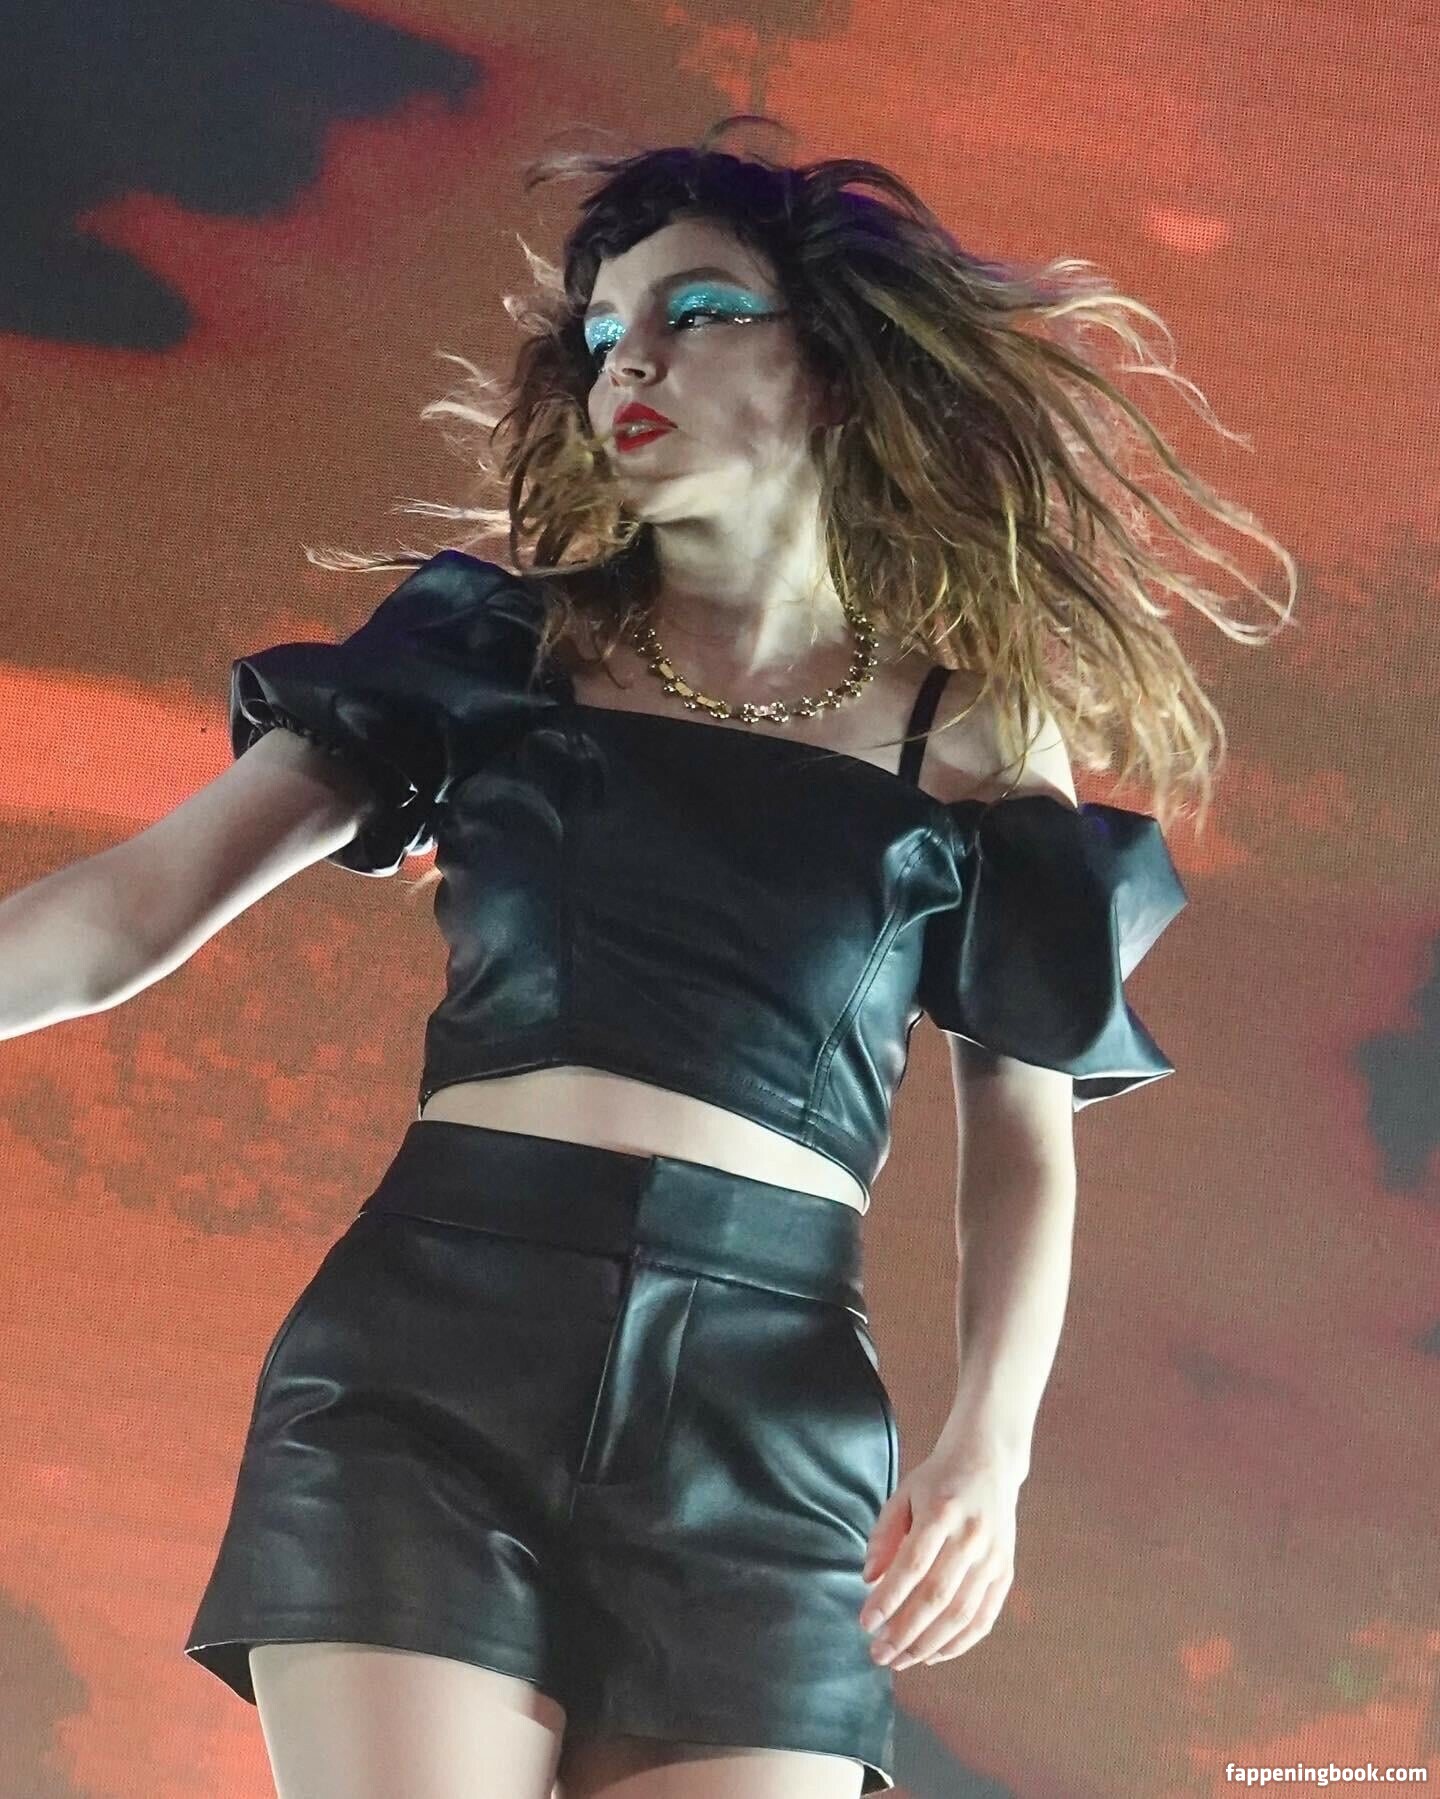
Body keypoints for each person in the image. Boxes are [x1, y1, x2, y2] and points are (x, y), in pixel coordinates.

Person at [1, 118, 1294, 1798]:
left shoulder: (974, 734)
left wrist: (993, 1447)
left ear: (832, 367)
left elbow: (1023, 1147)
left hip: (768, 1414)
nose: (630, 359)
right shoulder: (489, 651)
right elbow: (127, 914)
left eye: (695, 311)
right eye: (604, 330)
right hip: (427, 1363)